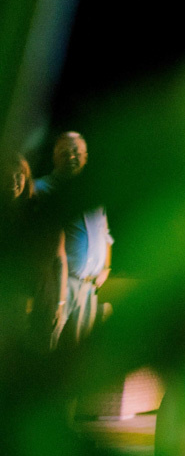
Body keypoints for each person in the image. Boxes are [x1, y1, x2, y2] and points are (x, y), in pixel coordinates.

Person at [34, 132, 111, 347]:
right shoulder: (41, 188)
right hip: (57, 284)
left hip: (89, 288)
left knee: (76, 354)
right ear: (54, 156)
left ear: (85, 156)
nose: (71, 157)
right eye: (64, 152)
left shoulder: (93, 193)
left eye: (76, 152)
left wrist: (106, 267)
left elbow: (105, 234)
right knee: (47, 345)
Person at [0, 154, 66, 347]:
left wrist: (60, 304)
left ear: (26, 178)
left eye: (19, 175)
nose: (13, 181)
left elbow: (60, 259)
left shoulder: (41, 212)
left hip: (41, 301)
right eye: (7, 175)